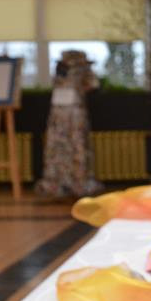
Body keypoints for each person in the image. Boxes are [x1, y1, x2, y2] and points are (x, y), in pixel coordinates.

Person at [35, 49, 103, 197]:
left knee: (73, 147)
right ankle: (63, 183)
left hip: (68, 114)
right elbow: (91, 85)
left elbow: (92, 85)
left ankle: (74, 183)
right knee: (63, 147)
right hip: (64, 115)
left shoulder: (78, 69)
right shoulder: (63, 69)